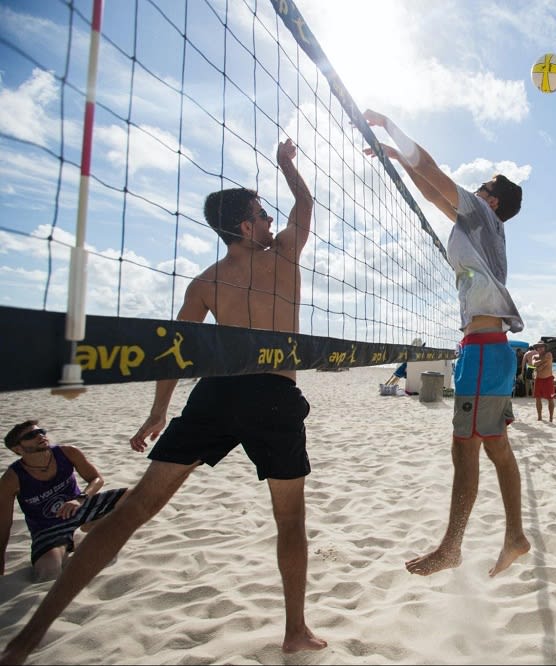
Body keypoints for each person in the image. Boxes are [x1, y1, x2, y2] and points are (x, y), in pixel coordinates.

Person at [1, 139, 327, 665]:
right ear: (245, 226)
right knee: (290, 522)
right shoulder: (284, 255)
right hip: (272, 393)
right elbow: (306, 206)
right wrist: (288, 165)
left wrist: (159, 411)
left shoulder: (205, 282)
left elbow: (176, 352)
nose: (271, 221)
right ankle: (295, 631)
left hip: (216, 394)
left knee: (134, 511)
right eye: (262, 215)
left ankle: (28, 637)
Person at [363, 109, 530, 578]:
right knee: (494, 447)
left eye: (481, 187)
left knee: (466, 450)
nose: (473, 190)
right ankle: (514, 536)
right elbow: (432, 187)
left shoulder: (479, 215)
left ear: (491, 200)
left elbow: (435, 173)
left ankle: (453, 547)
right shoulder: (478, 223)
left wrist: (391, 128)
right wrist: (401, 162)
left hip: (483, 353)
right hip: (485, 351)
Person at [1, 421, 128, 582]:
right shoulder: (11, 479)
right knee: (49, 569)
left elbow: (96, 479)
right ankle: (71, 542)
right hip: (48, 528)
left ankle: (92, 526)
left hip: (79, 509)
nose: (40, 435)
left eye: (41, 431)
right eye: (31, 435)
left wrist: (80, 499)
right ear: (17, 449)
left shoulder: (67, 452)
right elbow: (4, 525)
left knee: (132, 495)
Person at [531, 342, 556, 422]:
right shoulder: (534, 356)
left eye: (542, 347)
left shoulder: (549, 354)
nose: (540, 348)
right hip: (538, 379)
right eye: (538, 347)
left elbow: (542, 362)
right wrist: (542, 364)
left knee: (550, 398)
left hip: (548, 379)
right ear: (536, 348)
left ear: (545, 348)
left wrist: (540, 365)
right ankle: (539, 417)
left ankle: (551, 418)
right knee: (537, 398)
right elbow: (533, 364)